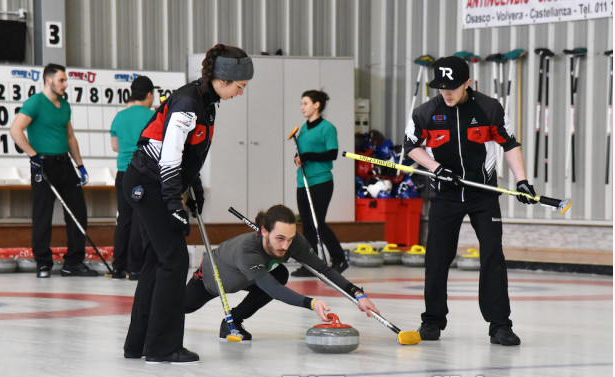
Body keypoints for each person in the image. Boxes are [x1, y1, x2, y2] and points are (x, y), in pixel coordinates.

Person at [122, 44, 254, 363]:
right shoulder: (188, 102)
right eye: (240, 86)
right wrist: (173, 204)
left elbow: (187, 153)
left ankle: (138, 344)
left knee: (159, 261)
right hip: (148, 183)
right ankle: (162, 347)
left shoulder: (206, 102)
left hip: (156, 183)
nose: (240, 93)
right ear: (223, 79)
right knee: (174, 260)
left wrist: (192, 187)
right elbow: (168, 156)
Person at [403, 56, 537, 346]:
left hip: (483, 193)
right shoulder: (425, 113)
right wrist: (436, 168)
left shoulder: (489, 108)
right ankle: (432, 321)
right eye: (441, 87)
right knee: (437, 259)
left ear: (467, 83)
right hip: (446, 195)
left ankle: (500, 325)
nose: (447, 93)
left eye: (452, 86)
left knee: (492, 257)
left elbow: (509, 144)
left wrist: (522, 181)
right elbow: (411, 147)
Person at [184, 204, 380, 340]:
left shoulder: (292, 241)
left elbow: (323, 269)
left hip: (247, 279)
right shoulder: (247, 251)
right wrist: (311, 303)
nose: (286, 246)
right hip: (212, 279)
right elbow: (273, 289)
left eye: (290, 238)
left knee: (281, 274)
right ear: (264, 231)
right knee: (182, 308)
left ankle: (232, 322)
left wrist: (357, 294)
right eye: (279, 238)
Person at [10, 63, 98, 278]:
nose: (65, 84)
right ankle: (43, 263)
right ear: (48, 80)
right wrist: (33, 155)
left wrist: (80, 165)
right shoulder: (35, 103)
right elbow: (15, 130)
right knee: (43, 214)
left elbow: (70, 136)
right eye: (62, 80)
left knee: (77, 211)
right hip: (43, 164)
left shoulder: (65, 105)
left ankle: (73, 263)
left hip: (64, 163)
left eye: (66, 80)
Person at [291, 90, 349, 277]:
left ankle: (339, 258)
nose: (302, 107)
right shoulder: (303, 128)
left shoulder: (327, 128)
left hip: (321, 181)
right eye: (301, 104)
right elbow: (302, 152)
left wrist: (308, 156)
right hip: (303, 181)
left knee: (318, 223)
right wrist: (298, 158)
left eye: (305, 103)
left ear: (317, 105)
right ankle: (312, 264)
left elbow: (332, 153)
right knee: (306, 224)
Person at [108, 76, 155, 280]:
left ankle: (118, 266)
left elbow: (115, 147)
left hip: (122, 173)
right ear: (149, 94)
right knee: (140, 218)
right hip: (142, 173)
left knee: (124, 218)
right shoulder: (153, 116)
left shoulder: (119, 116)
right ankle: (135, 267)